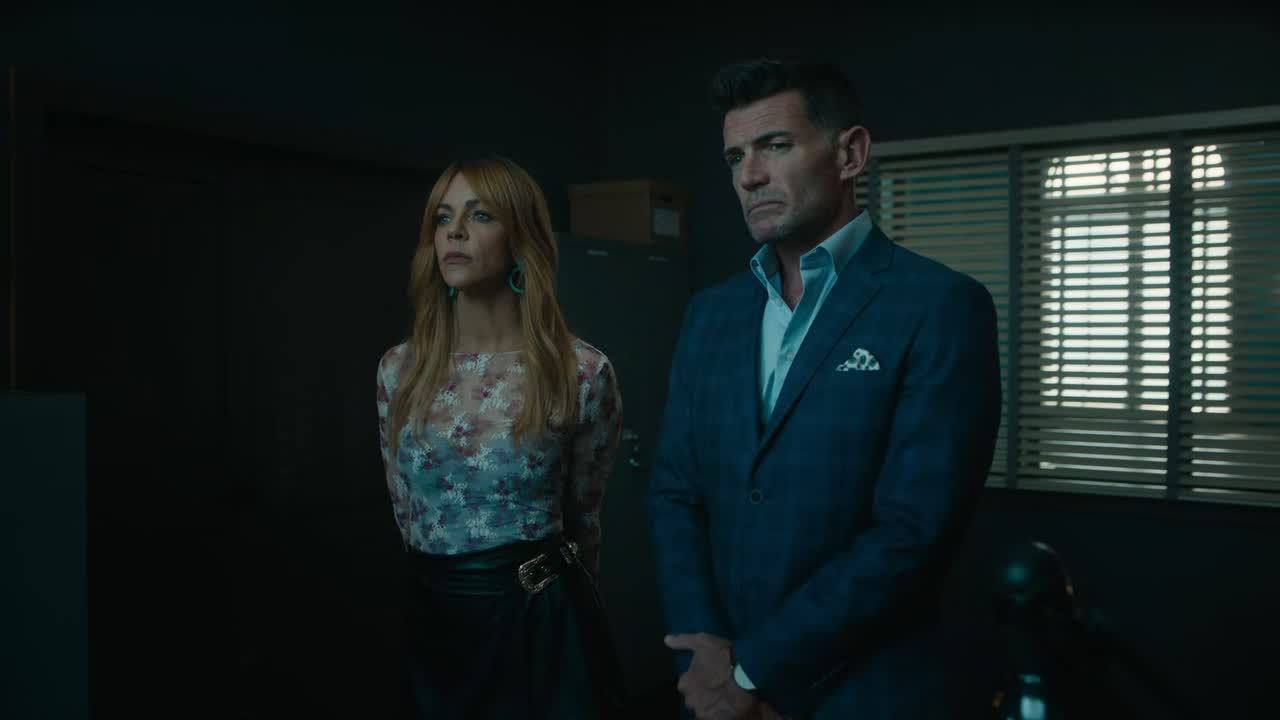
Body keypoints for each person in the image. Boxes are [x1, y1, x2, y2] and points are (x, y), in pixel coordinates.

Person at [649, 58, 1003, 720]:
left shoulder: (939, 306)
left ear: (850, 154)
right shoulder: (711, 315)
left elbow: (913, 532)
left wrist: (752, 671)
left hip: (863, 689)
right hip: (715, 689)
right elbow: (676, 493)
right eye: (735, 157)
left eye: (775, 146)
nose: (749, 175)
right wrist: (705, 658)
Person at [376, 155, 624, 719]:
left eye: (480, 214)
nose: (455, 232)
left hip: (538, 620)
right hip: (437, 622)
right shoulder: (399, 369)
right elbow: (405, 510)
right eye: (443, 218)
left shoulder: (580, 371)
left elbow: (585, 519)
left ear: (520, 239)